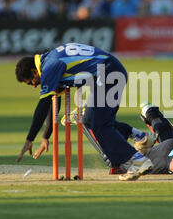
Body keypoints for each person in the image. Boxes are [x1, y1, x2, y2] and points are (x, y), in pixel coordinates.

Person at [15, 43, 155, 181]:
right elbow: (54, 102)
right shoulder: (50, 60)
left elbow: (43, 105)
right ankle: (141, 137)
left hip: (108, 73)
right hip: (108, 72)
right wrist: (46, 136)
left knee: (100, 124)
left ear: (34, 71)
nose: (34, 86)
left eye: (31, 82)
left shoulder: (50, 66)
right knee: (88, 120)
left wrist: (29, 139)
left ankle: (137, 161)